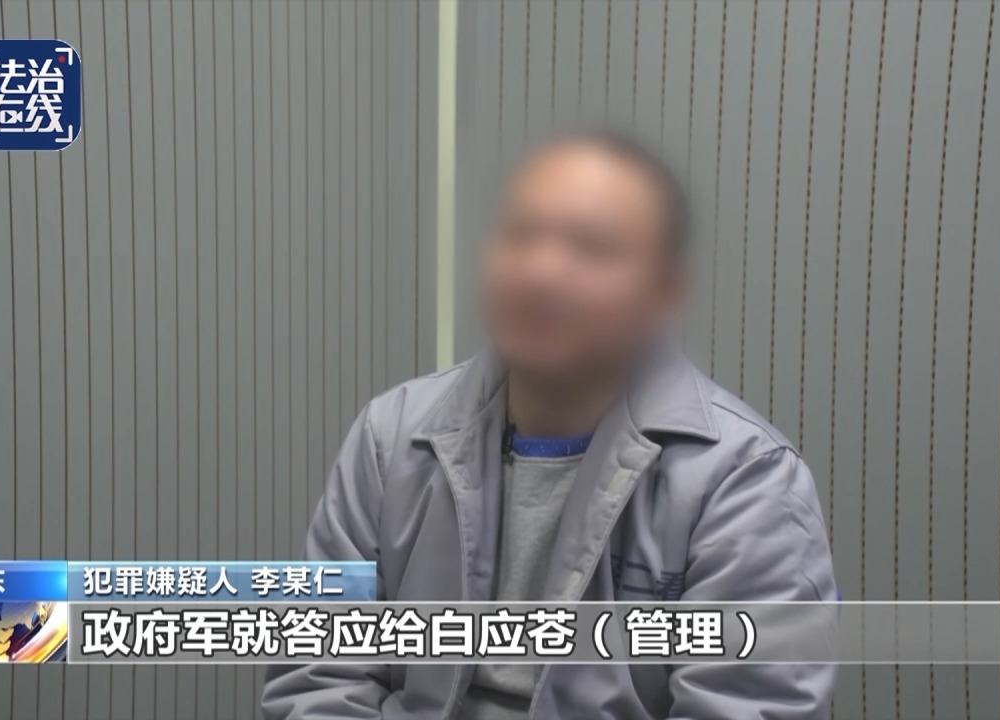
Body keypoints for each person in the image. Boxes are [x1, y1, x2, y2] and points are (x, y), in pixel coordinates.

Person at [263, 129, 836, 719]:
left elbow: (746, 704)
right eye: (520, 235)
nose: (541, 272)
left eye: (591, 247)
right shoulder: (392, 436)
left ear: (664, 292)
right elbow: (318, 675)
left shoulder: (745, 480)